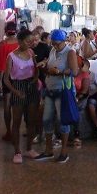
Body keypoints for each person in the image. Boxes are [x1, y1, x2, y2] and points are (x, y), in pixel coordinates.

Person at [36, 29, 78, 163]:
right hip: (50, 89)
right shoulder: (53, 50)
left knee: (62, 120)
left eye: (57, 43)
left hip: (62, 90)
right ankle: (48, 150)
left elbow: (74, 71)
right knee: (47, 119)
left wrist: (59, 72)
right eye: (53, 43)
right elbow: (50, 62)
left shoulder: (70, 52)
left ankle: (64, 151)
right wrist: (45, 64)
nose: (55, 45)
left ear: (64, 41)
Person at [3, 29, 41, 163]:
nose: (30, 43)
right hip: (17, 87)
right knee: (17, 121)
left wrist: (35, 78)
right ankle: (17, 151)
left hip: (31, 87)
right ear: (19, 41)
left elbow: (36, 70)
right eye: (28, 41)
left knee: (31, 120)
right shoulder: (11, 56)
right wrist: (15, 91)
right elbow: (6, 79)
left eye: (31, 41)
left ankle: (29, 148)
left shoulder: (31, 53)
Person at [0, 22, 19, 142]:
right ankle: (16, 130)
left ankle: (9, 131)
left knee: (7, 105)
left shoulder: (2, 45)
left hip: (7, 77)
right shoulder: (20, 44)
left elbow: (1, 65)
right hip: (19, 77)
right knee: (17, 106)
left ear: (5, 30)